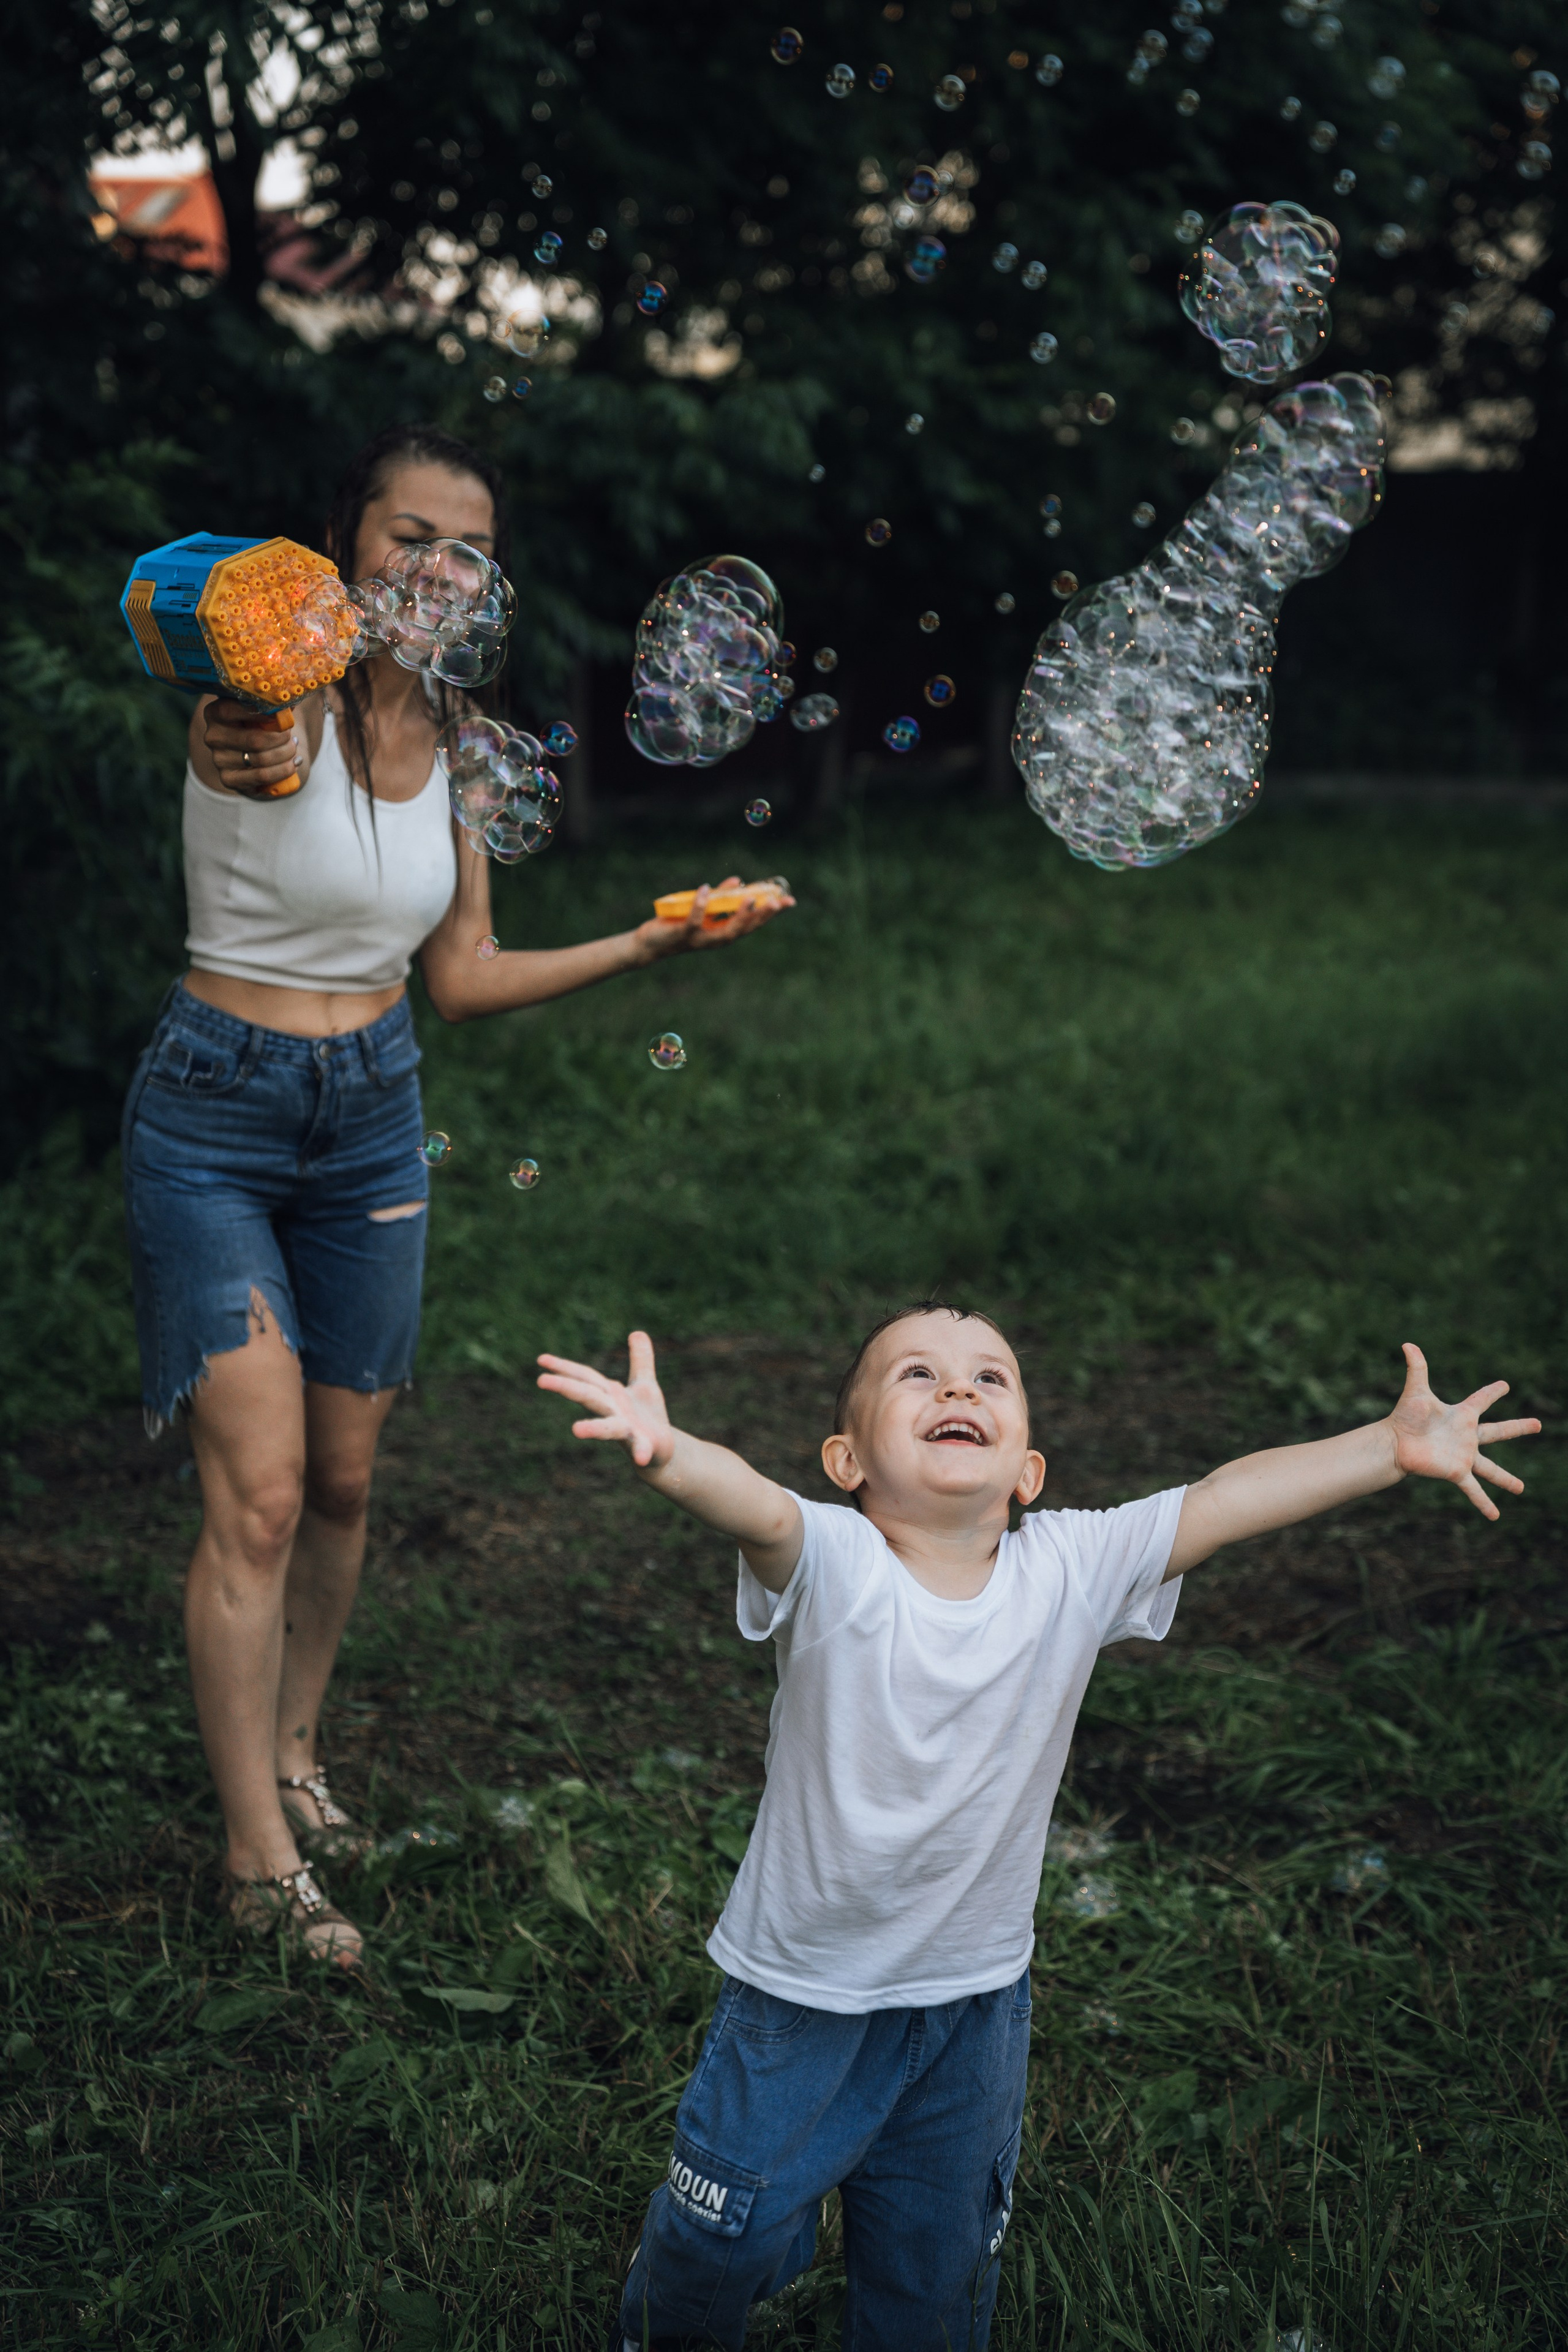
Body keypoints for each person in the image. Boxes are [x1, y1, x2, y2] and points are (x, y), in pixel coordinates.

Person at [536, 1303, 1539, 2352]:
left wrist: (1387, 1447)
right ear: (846, 1460)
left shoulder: (1069, 1569)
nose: (958, 1390)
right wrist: (669, 1455)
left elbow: (1223, 1500)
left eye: (990, 1379)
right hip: (804, 1995)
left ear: (1030, 1473)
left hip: (976, 2004)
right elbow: (757, 1510)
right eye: (917, 1374)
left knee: (939, 2256)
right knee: (725, 2232)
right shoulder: (837, 1563)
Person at [121, 420, 791, 1972]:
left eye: (464, 549)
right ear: (342, 546)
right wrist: (241, 689)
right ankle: (254, 1860)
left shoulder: (472, 746)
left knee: (346, 1486)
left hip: (370, 1117)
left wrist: (646, 947)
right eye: (406, 535)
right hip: (214, 1111)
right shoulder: (261, 686)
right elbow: (211, 678)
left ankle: (296, 1752)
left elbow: (465, 977)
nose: (434, 569)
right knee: (266, 1491)